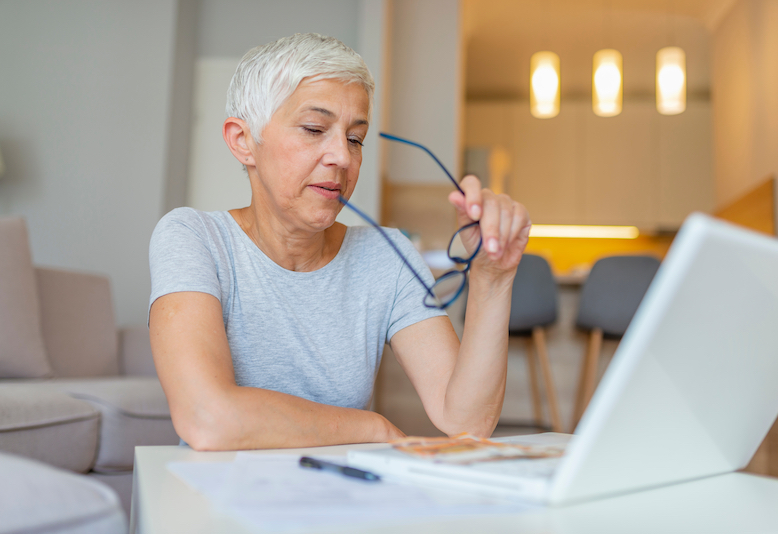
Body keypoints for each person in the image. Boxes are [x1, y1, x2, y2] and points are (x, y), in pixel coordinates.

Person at [148, 33, 531, 451]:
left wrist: (493, 279)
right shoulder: (193, 238)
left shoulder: (386, 255)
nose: (343, 159)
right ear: (243, 141)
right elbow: (206, 418)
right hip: (216, 502)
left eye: (355, 138)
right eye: (314, 129)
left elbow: (469, 421)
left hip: (341, 502)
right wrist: (374, 429)